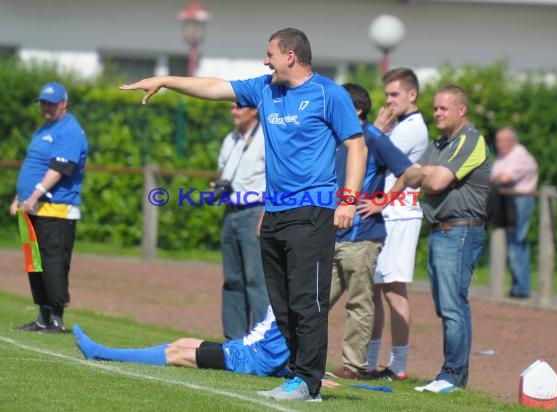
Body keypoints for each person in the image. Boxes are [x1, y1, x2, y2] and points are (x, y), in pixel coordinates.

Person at [120, 27, 367, 402]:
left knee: (307, 301)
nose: (265, 60)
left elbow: (357, 145)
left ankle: (307, 382)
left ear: (291, 56)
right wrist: (165, 80)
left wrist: (348, 200)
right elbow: (215, 87)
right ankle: (296, 376)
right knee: (281, 304)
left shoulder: (328, 93)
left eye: (270, 54)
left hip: (313, 211)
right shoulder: (265, 89)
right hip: (275, 212)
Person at [402, 85, 490, 393]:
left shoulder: (471, 140)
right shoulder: (441, 143)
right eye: (436, 108)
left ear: (461, 110)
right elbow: (410, 174)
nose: (436, 113)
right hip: (442, 231)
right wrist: (425, 172)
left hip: (461, 231)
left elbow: (435, 182)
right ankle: (452, 374)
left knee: (453, 306)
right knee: (447, 306)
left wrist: (426, 173)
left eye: (443, 108)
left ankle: (452, 376)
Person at [328, 83, 411, 380]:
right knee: (314, 300)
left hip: (361, 237)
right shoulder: (336, 137)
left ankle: (352, 366)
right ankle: (299, 358)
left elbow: (408, 171)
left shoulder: (374, 139)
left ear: (357, 110)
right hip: (331, 235)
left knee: (359, 303)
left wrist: (382, 201)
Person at [363, 68, 428, 380]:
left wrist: (374, 128)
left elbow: (374, 151)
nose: (388, 102)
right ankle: (369, 361)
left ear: (411, 95)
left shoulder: (412, 129)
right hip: (386, 213)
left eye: (394, 95)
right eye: (387, 95)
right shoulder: (401, 125)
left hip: (400, 215)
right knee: (374, 287)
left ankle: (398, 365)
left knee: (393, 288)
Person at [9, 82, 88, 333]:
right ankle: (43, 315)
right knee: (36, 263)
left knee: (54, 262)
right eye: (43, 102)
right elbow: (35, 164)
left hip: (56, 208)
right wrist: (20, 196)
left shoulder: (70, 130)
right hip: (32, 206)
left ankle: (56, 317)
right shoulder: (45, 128)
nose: (46, 107)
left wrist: (35, 195)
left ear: (64, 103)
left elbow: (61, 168)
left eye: (51, 103)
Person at [73, 305, 290, 376]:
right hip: (246, 347)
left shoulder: (303, 290)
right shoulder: (288, 279)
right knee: (184, 341)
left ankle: (101, 353)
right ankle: (109, 353)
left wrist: (308, 373)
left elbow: (305, 332)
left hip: (252, 357)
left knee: (176, 354)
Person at [215, 103, 269, 339]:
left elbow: (275, 180)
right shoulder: (230, 139)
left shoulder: (266, 138)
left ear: (254, 110)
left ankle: (261, 338)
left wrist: (265, 215)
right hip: (231, 211)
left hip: (255, 212)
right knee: (233, 279)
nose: (233, 111)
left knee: (256, 279)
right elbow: (223, 173)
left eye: (238, 107)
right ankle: (234, 339)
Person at [490, 127, 538, 298]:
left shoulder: (520, 155)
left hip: (521, 200)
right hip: (508, 200)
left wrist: (495, 178)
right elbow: (495, 174)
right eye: (498, 141)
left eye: (503, 140)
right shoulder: (505, 156)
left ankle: (521, 288)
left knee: (518, 240)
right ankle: (518, 286)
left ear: (513, 140)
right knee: (512, 241)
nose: (500, 144)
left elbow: (504, 178)